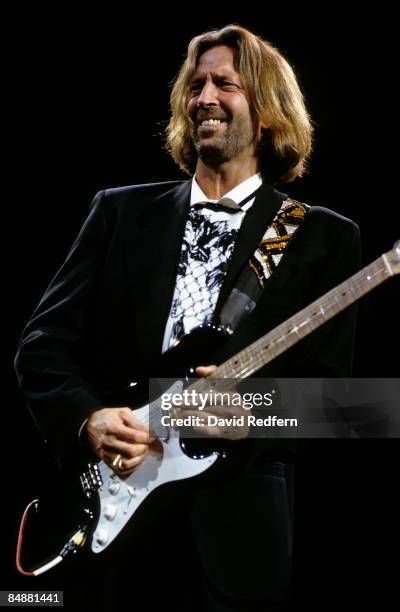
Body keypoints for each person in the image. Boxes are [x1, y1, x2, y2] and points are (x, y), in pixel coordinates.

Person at [15, 25, 360, 611]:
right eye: (195, 84)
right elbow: (41, 344)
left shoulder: (320, 237)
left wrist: (249, 417)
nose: (203, 97)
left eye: (225, 83)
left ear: (269, 112)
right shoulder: (119, 212)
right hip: (114, 521)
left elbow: (349, 405)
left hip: (236, 533)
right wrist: (87, 418)